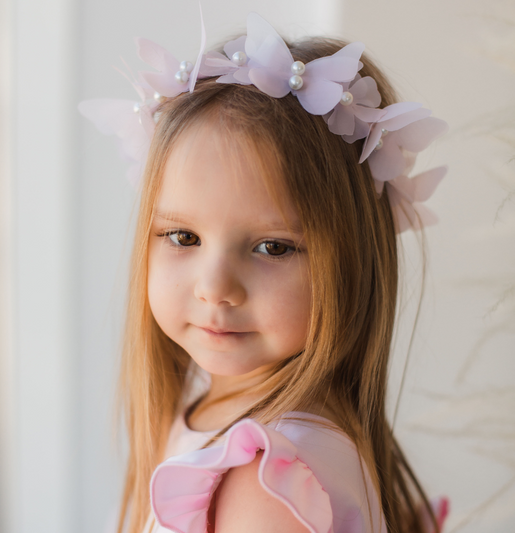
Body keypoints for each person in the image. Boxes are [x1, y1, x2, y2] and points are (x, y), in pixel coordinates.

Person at [80, 11, 449, 533]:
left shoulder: (265, 485)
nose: (215, 289)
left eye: (272, 247)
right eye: (184, 237)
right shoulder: (220, 408)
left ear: (351, 258)